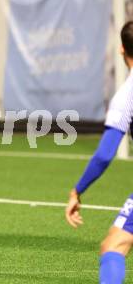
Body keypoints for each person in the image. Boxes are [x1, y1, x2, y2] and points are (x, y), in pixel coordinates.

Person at [65, 21, 133, 284]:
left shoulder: (127, 95)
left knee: (113, 247)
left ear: (121, 50)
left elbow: (105, 155)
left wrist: (77, 190)